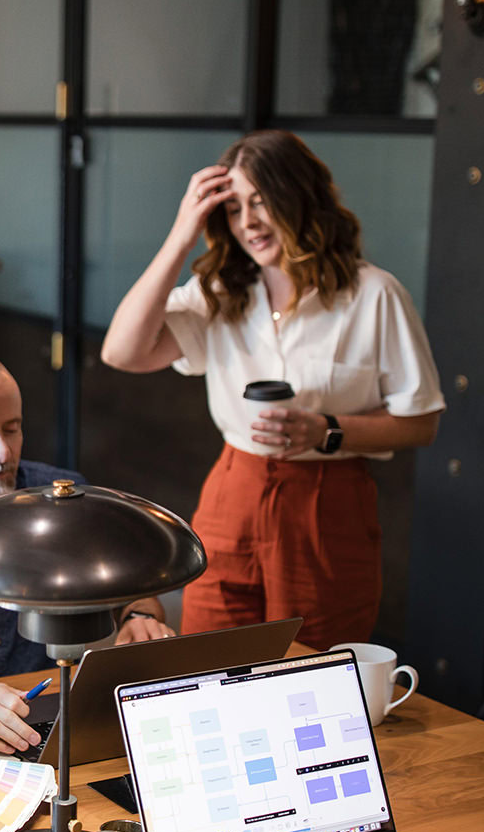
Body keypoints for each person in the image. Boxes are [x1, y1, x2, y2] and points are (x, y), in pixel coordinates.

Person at [100, 130, 444, 651]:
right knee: (209, 660)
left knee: (312, 667)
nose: (249, 223)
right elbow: (122, 352)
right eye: (234, 209)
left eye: (262, 202)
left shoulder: (374, 295)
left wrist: (327, 429)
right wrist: (182, 234)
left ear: (300, 198)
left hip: (327, 505)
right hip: (233, 493)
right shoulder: (222, 293)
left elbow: (421, 421)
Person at [0, 343, 176, 754]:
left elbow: (138, 592)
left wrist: (139, 616)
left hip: (52, 715)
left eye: (12, 428)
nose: (2, 453)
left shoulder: (63, 496)